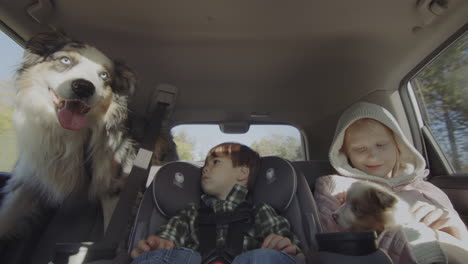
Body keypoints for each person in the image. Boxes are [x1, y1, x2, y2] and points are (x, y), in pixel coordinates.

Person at [314, 102, 468, 264]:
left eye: (381, 145)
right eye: (360, 149)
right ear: (345, 153)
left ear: (398, 145)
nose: (373, 156)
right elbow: (332, 241)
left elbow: (460, 240)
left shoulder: (425, 190)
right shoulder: (334, 186)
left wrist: (435, 230)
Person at [131, 142, 300, 264]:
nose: (204, 168)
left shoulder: (260, 210)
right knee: (158, 258)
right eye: (205, 163)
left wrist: (282, 244)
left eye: (215, 162)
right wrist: (160, 245)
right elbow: (171, 233)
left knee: (267, 257)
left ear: (242, 172)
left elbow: (283, 238)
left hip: (247, 259)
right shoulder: (191, 212)